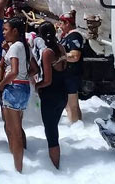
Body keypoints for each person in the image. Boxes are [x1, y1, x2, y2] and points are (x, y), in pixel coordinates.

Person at [0, 18, 33, 173]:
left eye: (6, 29)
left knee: (14, 131)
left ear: (15, 31)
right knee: (16, 129)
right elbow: (35, 69)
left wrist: (2, 84)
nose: (3, 33)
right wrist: (24, 77)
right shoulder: (24, 47)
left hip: (13, 88)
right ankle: (18, 167)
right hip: (23, 87)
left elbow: (13, 71)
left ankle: (18, 170)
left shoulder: (14, 47)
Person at [34, 22, 67, 169]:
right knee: (54, 128)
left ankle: (56, 168)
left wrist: (36, 86)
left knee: (51, 133)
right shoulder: (60, 48)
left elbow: (47, 80)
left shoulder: (48, 53)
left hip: (50, 95)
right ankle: (57, 165)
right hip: (62, 94)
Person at [59, 10, 84, 123]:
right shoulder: (68, 36)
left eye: (61, 23)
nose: (60, 26)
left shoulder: (74, 36)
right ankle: (78, 125)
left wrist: (60, 57)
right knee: (73, 104)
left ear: (67, 23)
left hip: (71, 74)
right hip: (69, 75)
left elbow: (75, 55)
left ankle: (74, 127)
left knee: (71, 106)